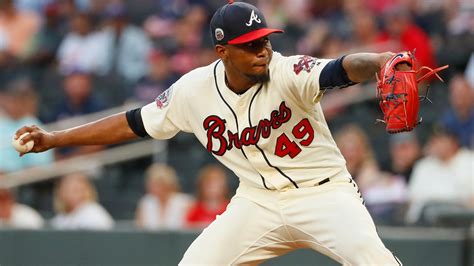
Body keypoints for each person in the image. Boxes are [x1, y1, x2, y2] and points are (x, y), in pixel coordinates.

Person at [14, 2, 403, 264]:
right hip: (257, 203)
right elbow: (133, 122)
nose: (262, 51)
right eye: (249, 46)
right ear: (222, 52)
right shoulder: (193, 91)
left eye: (265, 41)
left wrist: (381, 61)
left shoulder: (288, 71)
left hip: (324, 193)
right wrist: (55, 138)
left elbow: (339, 68)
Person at [406, 126, 474, 224]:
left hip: (461, 220)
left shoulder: (469, 161)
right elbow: (412, 200)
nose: (437, 144)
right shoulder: (423, 165)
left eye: (441, 140)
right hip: (426, 222)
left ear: (454, 142)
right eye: (434, 140)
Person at [135, 163, 191, 230]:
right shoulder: (146, 202)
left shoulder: (185, 202)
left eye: (158, 184)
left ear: (168, 184)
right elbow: (140, 227)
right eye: (152, 183)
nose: (154, 187)